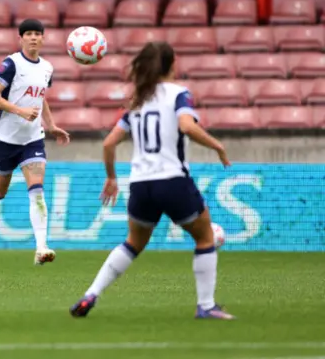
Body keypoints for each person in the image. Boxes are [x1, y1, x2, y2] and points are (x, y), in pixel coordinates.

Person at [69, 42, 236, 320]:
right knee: (205, 236)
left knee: (133, 242)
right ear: (173, 65)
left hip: (140, 184)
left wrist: (112, 176)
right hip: (171, 179)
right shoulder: (179, 94)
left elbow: (109, 143)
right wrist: (216, 145)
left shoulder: (137, 101)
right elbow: (186, 125)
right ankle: (206, 306)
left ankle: (91, 293)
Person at [0, 18, 70, 265]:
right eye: (28, 33)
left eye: (37, 33)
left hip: (32, 139)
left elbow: (41, 98)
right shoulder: (10, 64)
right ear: (21, 38)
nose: (33, 37)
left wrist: (51, 126)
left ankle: (41, 248)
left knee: (36, 192)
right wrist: (19, 110)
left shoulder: (47, 68)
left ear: (43, 38)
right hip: (6, 139)